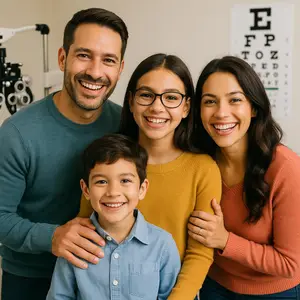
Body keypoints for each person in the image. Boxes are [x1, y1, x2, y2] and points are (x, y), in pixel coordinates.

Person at [0, 8, 128, 300]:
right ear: (62, 58)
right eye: (84, 55)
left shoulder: (126, 126)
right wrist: (53, 236)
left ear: (120, 68)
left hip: (103, 276)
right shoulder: (17, 133)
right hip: (31, 278)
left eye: (108, 60)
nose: (95, 72)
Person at [79, 53, 222, 300]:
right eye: (146, 95)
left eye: (171, 98)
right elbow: (86, 230)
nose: (157, 107)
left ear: (186, 107)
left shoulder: (203, 168)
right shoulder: (106, 160)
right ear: (131, 101)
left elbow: (199, 254)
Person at [188, 56, 300, 299]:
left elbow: (291, 264)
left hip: (274, 292)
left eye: (235, 100)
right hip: (213, 285)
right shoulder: (199, 160)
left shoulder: (285, 169)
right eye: (210, 101)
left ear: (254, 108)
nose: (221, 113)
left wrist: (225, 240)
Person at [46, 133, 181, 300]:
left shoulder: (163, 245)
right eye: (101, 182)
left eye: (125, 181)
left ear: (142, 188)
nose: (113, 192)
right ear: (86, 189)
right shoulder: (75, 243)